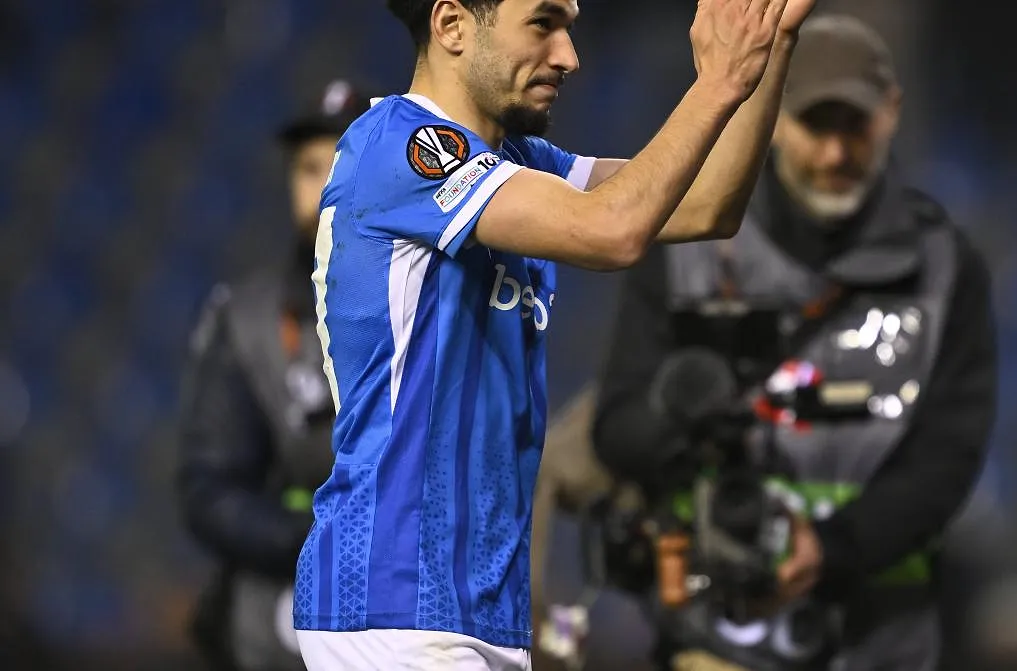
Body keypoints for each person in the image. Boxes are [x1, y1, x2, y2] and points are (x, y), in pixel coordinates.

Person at [291, 0, 817, 668]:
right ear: (451, 25)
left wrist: (771, 46)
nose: (569, 55)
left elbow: (709, 203)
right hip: (393, 601)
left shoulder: (520, 160)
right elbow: (612, 229)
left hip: (474, 607)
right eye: (543, 23)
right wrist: (717, 82)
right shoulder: (402, 147)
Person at [591, 14, 998, 671]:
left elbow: (948, 458)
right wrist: (692, 428)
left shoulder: (947, 268)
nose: (836, 153)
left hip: (880, 640)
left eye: (855, 125)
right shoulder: (687, 244)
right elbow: (616, 426)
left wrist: (830, 548)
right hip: (713, 639)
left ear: (891, 114)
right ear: (774, 115)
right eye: (817, 125)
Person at [177, 79, 367, 671]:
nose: (325, 187)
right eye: (310, 169)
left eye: (345, 165)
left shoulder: (444, 302)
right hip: (277, 611)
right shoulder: (248, 320)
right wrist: (316, 540)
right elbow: (209, 487)